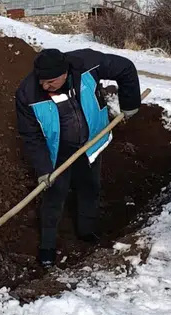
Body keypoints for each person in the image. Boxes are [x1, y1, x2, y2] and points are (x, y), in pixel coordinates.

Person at [15, 48, 141, 267]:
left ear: (64, 73)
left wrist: (130, 104)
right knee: (55, 195)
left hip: (90, 143)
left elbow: (126, 68)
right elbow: (31, 135)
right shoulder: (27, 93)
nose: (45, 86)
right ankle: (47, 248)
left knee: (90, 186)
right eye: (42, 81)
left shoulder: (87, 64)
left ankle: (87, 232)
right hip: (58, 151)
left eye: (51, 82)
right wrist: (44, 168)